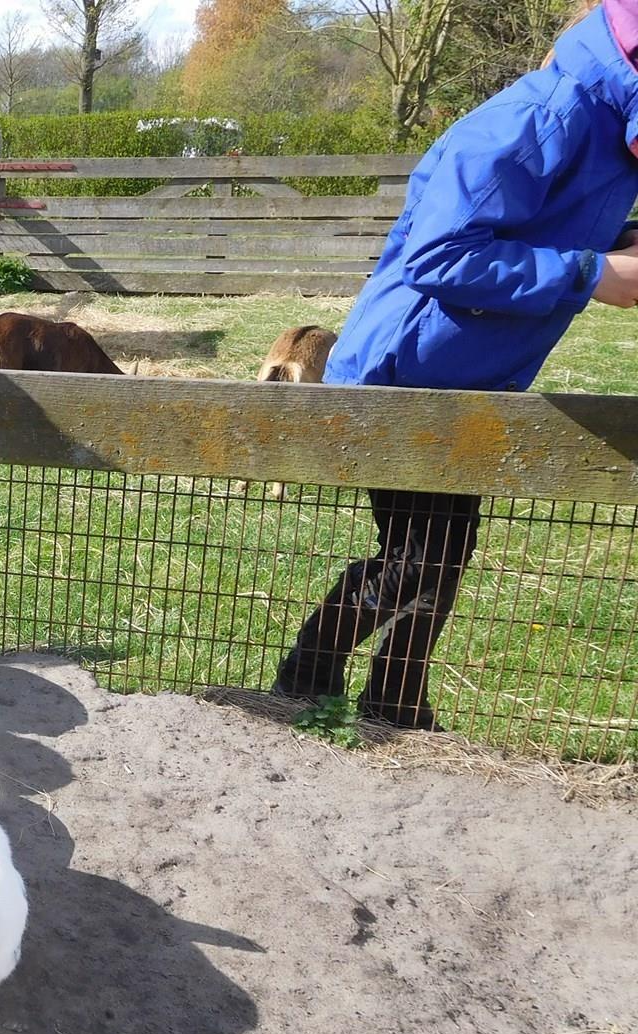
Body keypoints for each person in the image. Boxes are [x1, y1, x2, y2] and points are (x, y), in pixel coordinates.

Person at [272, 0, 638, 730]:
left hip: (465, 377)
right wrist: (594, 274)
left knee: (442, 550)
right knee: (420, 557)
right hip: (403, 374)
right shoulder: (545, 118)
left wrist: (613, 246)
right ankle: (309, 676)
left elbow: (545, 224)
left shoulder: (605, 132)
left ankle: (393, 699)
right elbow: (441, 254)